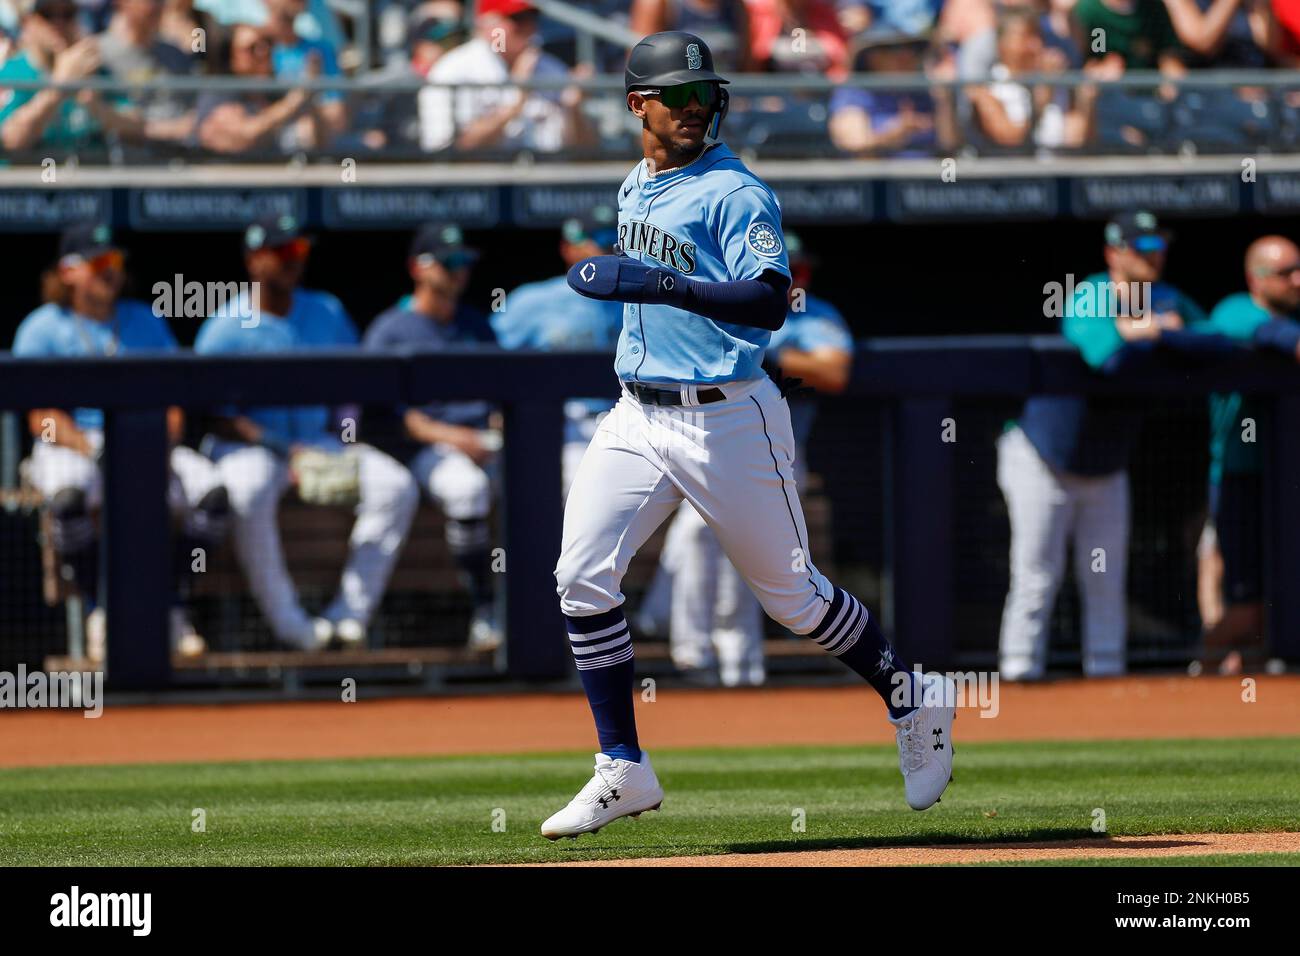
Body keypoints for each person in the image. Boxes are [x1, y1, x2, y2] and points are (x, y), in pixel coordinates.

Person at [541, 31, 956, 841]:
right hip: (637, 409)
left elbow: (770, 302)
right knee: (579, 576)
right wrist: (657, 290)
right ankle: (622, 765)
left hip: (728, 413)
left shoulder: (736, 192)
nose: (697, 108)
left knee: (794, 600)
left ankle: (913, 696)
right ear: (639, 106)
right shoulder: (636, 181)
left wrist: (667, 284)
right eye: (679, 96)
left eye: (707, 95)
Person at [996, 211, 1207, 682]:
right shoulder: (1093, 292)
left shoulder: (1166, 297)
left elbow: (1216, 342)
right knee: (1036, 576)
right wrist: (1154, 331)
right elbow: (1106, 357)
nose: (1155, 257)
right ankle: (1018, 675)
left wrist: (1156, 329)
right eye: (1142, 248)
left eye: (1158, 247)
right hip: (1043, 456)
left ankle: (1107, 686)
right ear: (1115, 253)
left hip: (1106, 462)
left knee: (1106, 578)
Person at [639, 231, 855, 688]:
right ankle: (696, 653)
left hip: (775, 451)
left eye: (802, 269)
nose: (799, 278)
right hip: (706, 441)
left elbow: (834, 371)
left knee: (749, 556)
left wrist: (768, 356)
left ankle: (739, 662)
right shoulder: (727, 301)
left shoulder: (811, 315)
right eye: (789, 270)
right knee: (696, 538)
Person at [194, 214, 419, 650]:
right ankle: (292, 625)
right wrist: (283, 448)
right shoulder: (223, 327)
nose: (292, 261)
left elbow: (354, 390)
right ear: (254, 261)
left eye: (298, 251)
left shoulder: (326, 311)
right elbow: (213, 415)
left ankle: (349, 617)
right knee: (247, 490)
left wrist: (345, 438)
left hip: (317, 440)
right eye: (281, 253)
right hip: (251, 446)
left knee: (396, 485)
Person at [11, 221, 228, 663]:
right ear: (69, 272)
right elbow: (40, 418)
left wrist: (157, 450)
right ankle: (101, 606)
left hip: (143, 437)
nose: (111, 271)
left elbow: (171, 402)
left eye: (115, 262)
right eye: (98, 263)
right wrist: (94, 449)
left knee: (214, 495)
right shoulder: (42, 327)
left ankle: (170, 603)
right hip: (72, 444)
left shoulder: (144, 321)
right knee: (69, 496)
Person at [362, 223, 504, 652]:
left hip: (487, 442)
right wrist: (454, 437)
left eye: (463, 262)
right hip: (427, 448)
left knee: (548, 485)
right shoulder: (390, 329)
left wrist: (498, 425)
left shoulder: (477, 326)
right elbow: (385, 415)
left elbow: (506, 392)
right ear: (418, 268)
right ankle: (486, 610)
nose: (459, 271)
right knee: (467, 489)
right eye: (449, 262)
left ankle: (553, 613)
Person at [1190, 236, 1300, 674]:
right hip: (1239, 476)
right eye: (1286, 272)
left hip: (1287, 479)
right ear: (1256, 278)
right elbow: (1283, 338)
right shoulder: (1234, 310)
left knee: (1277, 614)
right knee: (1249, 611)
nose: (1297, 280)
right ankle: (1194, 679)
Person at [491, 207, 624, 497]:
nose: (602, 248)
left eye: (608, 240)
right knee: (582, 485)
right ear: (568, 247)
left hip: (627, 416)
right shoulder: (533, 300)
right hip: (565, 422)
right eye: (593, 240)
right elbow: (493, 361)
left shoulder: (636, 297)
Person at [418, 0, 596, 155]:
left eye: (531, 18)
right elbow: (454, 151)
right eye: (516, 19)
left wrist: (575, 110)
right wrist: (515, 103)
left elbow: (584, 152)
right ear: (485, 25)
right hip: (475, 187)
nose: (528, 28)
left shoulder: (550, 68)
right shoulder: (455, 70)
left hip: (542, 184)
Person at [0, 0, 143, 153]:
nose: (59, 22)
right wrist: (59, 87)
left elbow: (137, 128)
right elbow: (10, 140)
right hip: (38, 173)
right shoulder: (11, 72)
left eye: (68, 14)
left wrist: (97, 108)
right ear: (26, 22)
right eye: (47, 14)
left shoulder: (93, 68)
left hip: (91, 172)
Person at [966, 8, 1097, 151]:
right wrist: (1044, 92)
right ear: (1002, 44)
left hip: (1059, 171)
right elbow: (1012, 141)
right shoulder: (987, 90)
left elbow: (1077, 140)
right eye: (1026, 37)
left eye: (1038, 37)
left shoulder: (1055, 82)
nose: (1036, 46)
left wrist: (1087, 103)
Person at [194, 21, 319, 153]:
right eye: (252, 48)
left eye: (267, 43)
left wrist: (311, 98)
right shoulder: (219, 92)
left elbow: (317, 141)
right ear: (232, 57)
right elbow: (239, 138)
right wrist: (292, 103)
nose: (263, 52)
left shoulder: (278, 92)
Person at [829, 31, 959, 157]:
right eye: (893, 50)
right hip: (880, 176)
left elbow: (949, 146)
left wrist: (944, 101)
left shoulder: (925, 92)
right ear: (871, 58)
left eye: (912, 49)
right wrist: (895, 133)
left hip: (927, 173)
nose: (906, 56)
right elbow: (854, 144)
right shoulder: (853, 93)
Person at [98, 0, 197, 144]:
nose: (156, 7)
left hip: (181, 157)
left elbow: (194, 111)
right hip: (128, 160)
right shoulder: (99, 54)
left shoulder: (176, 53)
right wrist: (170, 130)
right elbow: (107, 118)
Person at [262, 0, 345, 145]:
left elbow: (336, 110)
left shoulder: (320, 49)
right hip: (277, 125)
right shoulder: (262, 51)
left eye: (287, 17)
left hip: (315, 125)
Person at [630, 0, 754, 71]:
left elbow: (748, 65)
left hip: (727, 99)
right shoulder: (659, 4)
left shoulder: (736, 6)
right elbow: (642, 66)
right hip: (678, 101)